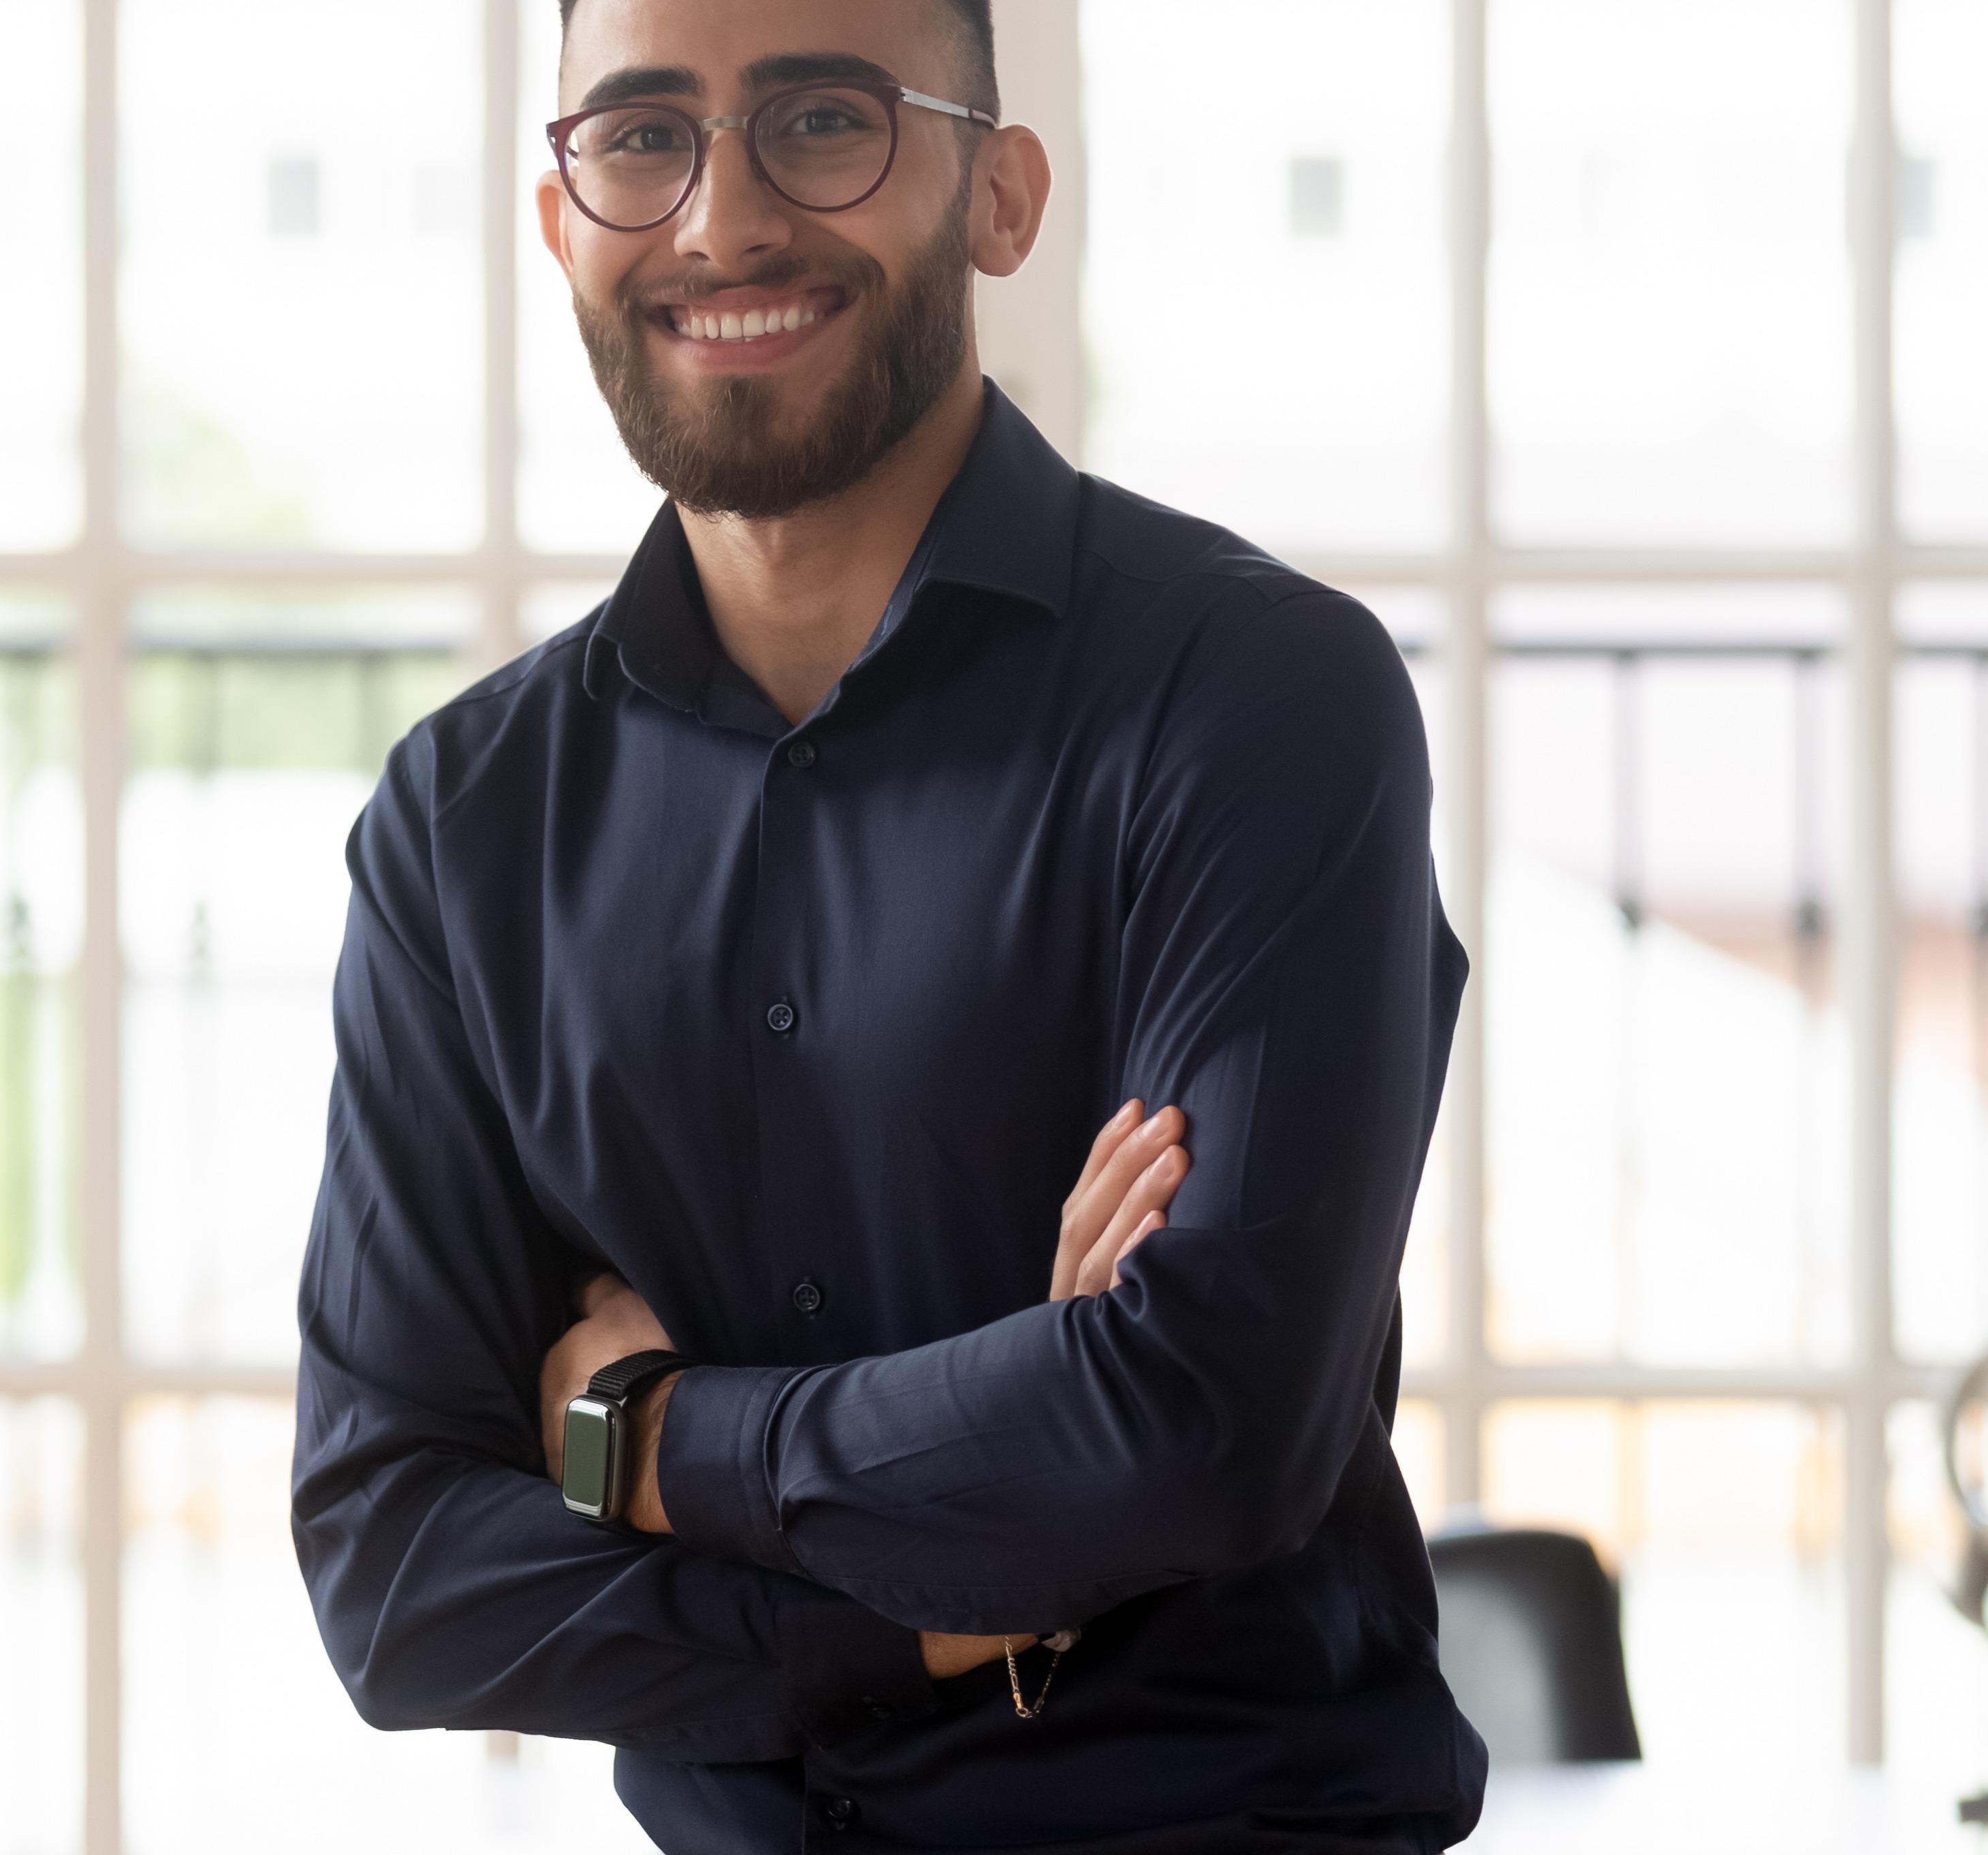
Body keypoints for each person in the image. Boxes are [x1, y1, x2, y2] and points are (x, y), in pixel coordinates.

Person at [288, 0, 1482, 1846]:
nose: (720, 221)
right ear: (559, 223)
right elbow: (394, 1568)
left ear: (998, 197)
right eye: (639, 137)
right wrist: (961, 1593)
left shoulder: (1258, 702)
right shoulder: (466, 825)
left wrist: (655, 1440)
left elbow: (1202, 1425)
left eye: (824, 120)